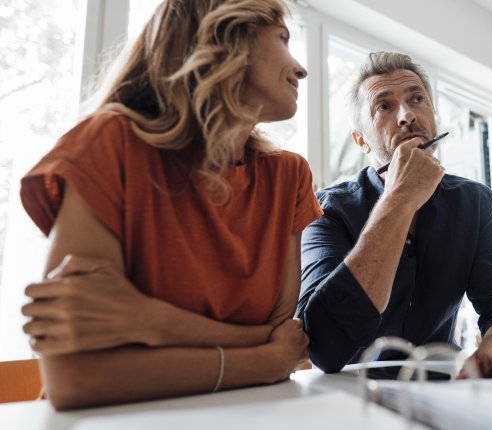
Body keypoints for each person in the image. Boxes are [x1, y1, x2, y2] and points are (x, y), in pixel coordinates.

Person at [19, 0, 322, 410]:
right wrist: (263, 360)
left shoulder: (288, 177)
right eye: (282, 39)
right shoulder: (110, 143)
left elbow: (281, 338)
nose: (300, 68)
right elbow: (76, 380)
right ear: (224, 41)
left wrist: (148, 322)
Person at [297, 52, 492, 378]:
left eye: (417, 99)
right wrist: (399, 199)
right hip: (348, 395)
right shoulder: (324, 209)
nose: (407, 115)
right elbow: (323, 344)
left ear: (434, 117)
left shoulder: (474, 202)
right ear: (361, 140)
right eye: (384, 106)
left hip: (442, 386)